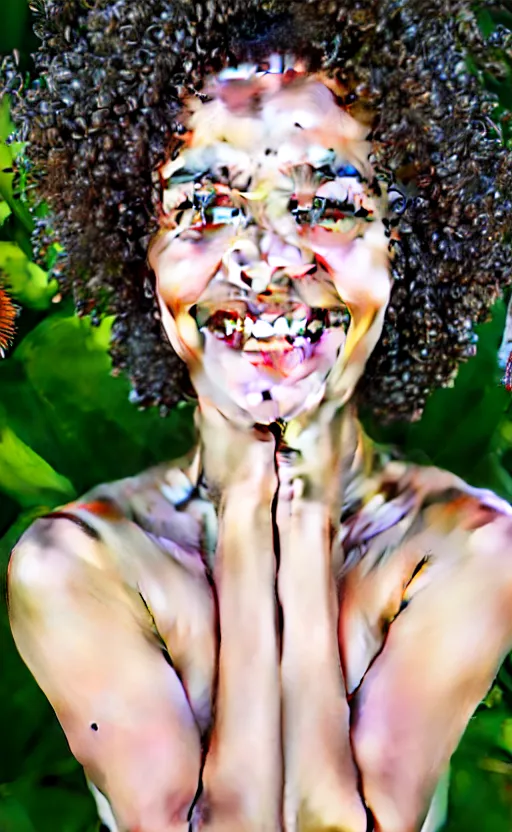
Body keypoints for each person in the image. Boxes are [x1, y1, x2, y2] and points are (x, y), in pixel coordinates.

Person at [5, 2, 512, 831]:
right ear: (141, 251)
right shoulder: (75, 567)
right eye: (205, 208)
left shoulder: (469, 549)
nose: (265, 259)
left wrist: (301, 506)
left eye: (327, 206)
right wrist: (250, 512)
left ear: (405, 250)